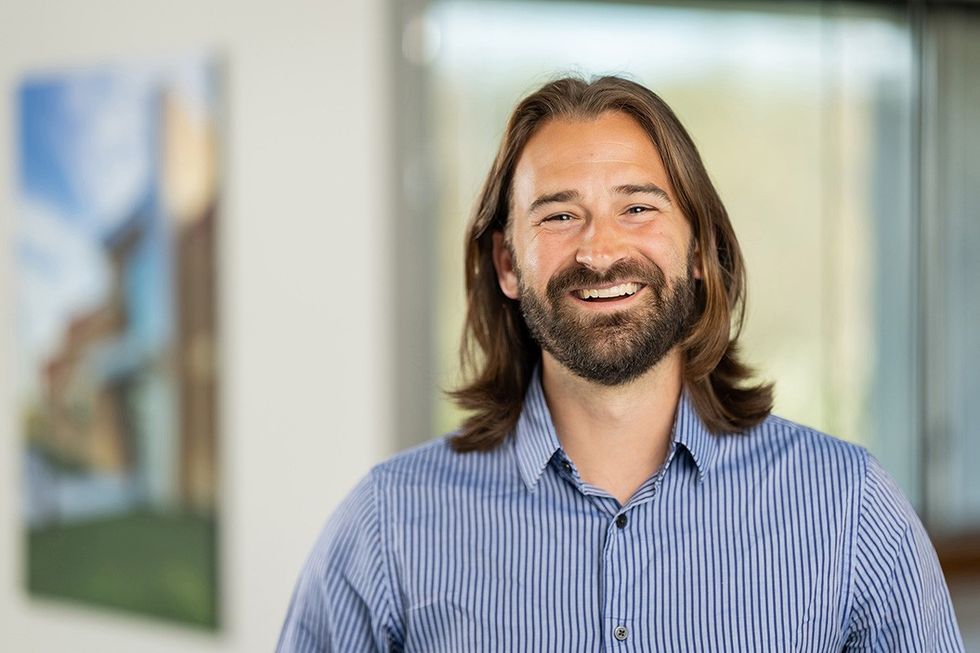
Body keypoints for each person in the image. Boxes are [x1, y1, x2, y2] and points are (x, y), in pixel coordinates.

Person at [277, 76, 964, 652]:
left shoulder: (848, 510)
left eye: (637, 207)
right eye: (557, 215)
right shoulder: (389, 523)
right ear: (508, 263)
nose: (600, 251)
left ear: (698, 248)